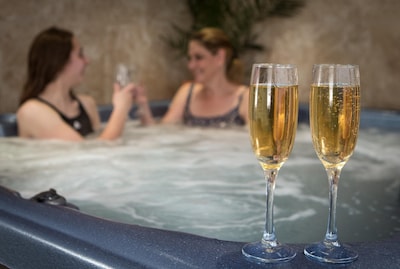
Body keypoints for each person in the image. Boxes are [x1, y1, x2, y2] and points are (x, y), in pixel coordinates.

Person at [17, 26, 152, 141]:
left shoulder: (87, 104)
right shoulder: (31, 112)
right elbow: (87, 156)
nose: (87, 61)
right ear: (59, 61)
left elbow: (104, 154)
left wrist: (141, 105)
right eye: (80, 55)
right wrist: (121, 109)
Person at [140, 27, 249, 127]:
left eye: (199, 57)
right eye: (190, 58)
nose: (191, 65)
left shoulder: (245, 98)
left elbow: (259, 140)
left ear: (220, 57)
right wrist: (142, 103)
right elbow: (162, 134)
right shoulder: (187, 93)